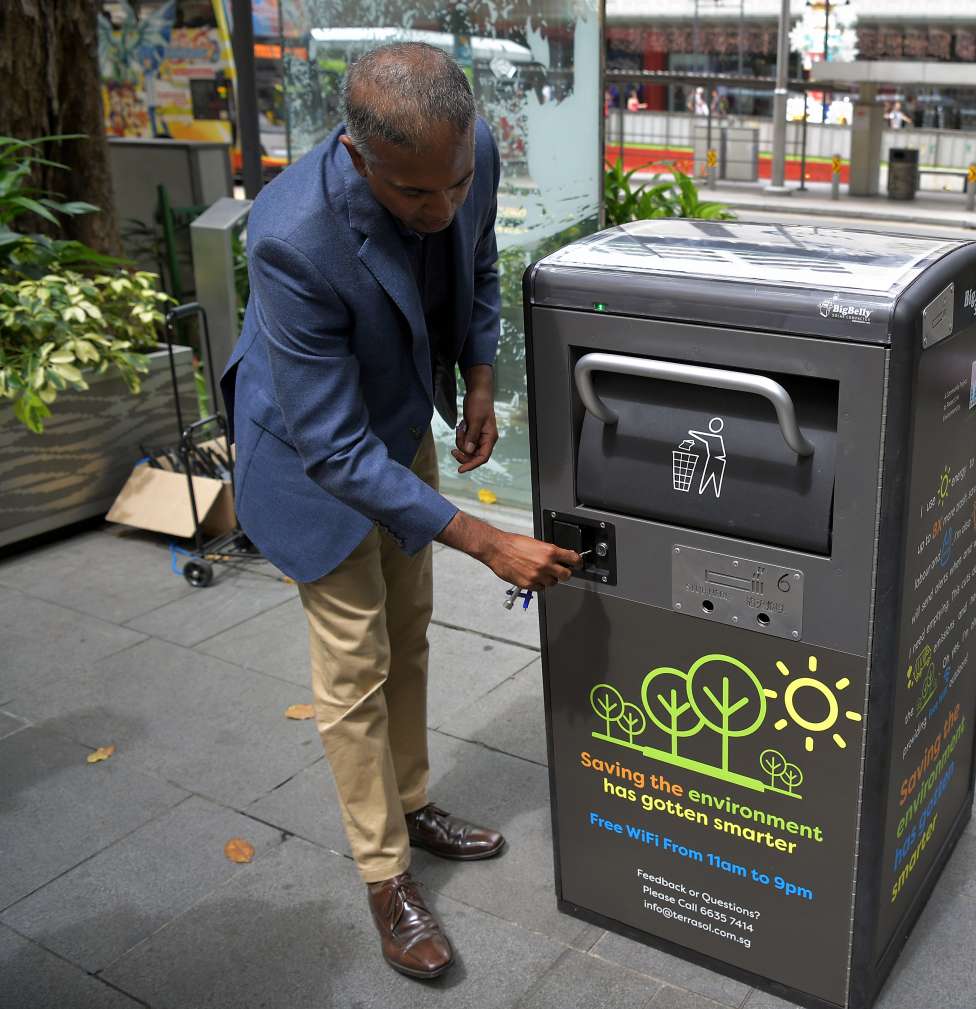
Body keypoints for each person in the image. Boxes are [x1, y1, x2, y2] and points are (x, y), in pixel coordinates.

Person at [220, 42, 581, 978]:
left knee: (410, 630)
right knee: (354, 665)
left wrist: (480, 381)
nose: (443, 208)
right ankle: (385, 875)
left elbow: (482, 258)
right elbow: (334, 448)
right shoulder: (290, 236)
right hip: (310, 458)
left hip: (395, 417)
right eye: (416, 196)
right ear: (355, 151)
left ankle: (412, 801)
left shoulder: (467, 158)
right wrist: (486, 538)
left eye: (455, 182)